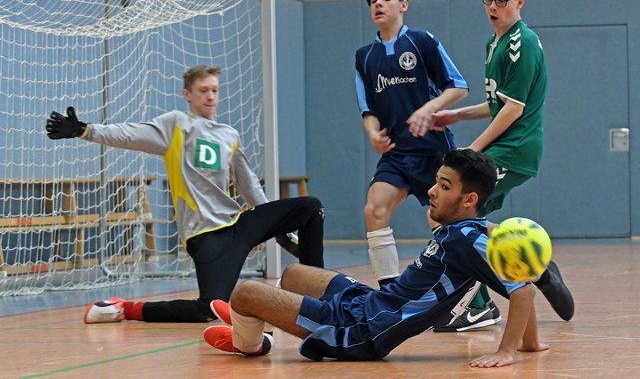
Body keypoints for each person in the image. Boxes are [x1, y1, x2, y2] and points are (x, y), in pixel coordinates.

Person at [202, 149, 550, 367]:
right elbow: (520, 277)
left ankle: (252, 340)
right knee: (295, 274)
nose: (432, 190)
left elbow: (523, 290)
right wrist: (530, 343)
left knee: (245, 293)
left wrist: (508, 351)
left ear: (469, 199)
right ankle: (256, 318)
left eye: (445, 187)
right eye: (436, 182)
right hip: (370, 303)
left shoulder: (470, 241)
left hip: (363, 331)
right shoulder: (467, 229)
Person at [45, 65, 325, 323]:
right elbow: (130, 134)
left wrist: (277, 229)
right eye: (203, 90)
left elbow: (248, 184)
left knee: (311, 207)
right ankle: (125, 308)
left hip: (237, 225)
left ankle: (320, 295)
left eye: (214, 90)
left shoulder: (229, 134)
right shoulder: (176, 125)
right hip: (205, 236)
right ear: (187, 94)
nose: (210, 96)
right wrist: (84, 130)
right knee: (209, 309)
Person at [429, 0, 574, 332]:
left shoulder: (522, 43)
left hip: (516, 148)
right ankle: (535, 267)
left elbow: (513, 110)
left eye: (502, 1)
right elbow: (497, 103)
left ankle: (479, 304)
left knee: (449, 209)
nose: (493, 7)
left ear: (520, 1)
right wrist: (457, 114)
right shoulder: (495, 42)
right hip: (504, 146)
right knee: (465, 220)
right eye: (488, 0)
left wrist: (470, 154)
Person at [355, 0, 469, 288]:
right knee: (374, 210)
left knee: (445, 221)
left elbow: (458, 87)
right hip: (396, 154)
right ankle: (389, 291)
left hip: (434, 151)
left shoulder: (422, 42)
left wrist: (427, 109)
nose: (378, 4)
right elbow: (368, 110)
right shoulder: (365, 56)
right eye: (373, 0)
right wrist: (373, 134)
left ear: (403, 4)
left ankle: (471, 293)